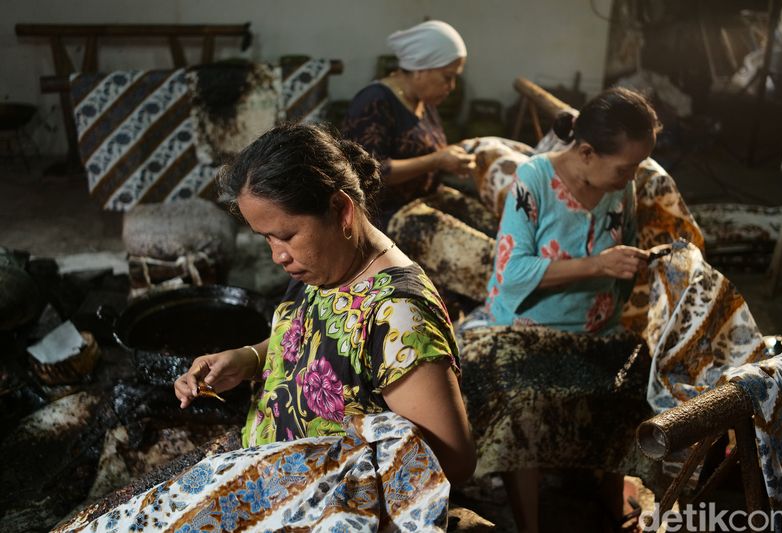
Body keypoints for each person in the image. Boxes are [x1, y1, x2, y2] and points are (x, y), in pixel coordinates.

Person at [173, 122, 476, 485]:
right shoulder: (324, 266)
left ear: (341, 210)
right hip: (266, 472)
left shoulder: (398, 317)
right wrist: (249, 359)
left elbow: (454, 464)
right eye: (266, 238)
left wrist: (320, 473)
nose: (277, 256)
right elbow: (324, 344)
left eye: (285, 236)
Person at [461, 87, 663, 533]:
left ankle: (609, 493)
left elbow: (625, 248)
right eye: (625, 166)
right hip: (528, 327)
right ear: (587, 152)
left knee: (634, 391)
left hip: (598, 327)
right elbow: (513, 273)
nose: (631, 177)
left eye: (637, 166)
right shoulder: (534, 179)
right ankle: (529, 524)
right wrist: (598, 265)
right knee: (524, 409)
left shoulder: (619, 187)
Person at [341, 20, 476, 227]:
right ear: (421, 68)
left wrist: (454, 159)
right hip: (386, 218)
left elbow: (427, 154)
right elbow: (370, 172)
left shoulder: (424, 102)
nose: (451, 87)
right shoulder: (375, 101)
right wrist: (437, 160)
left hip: (424, 204)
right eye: (447, 77)